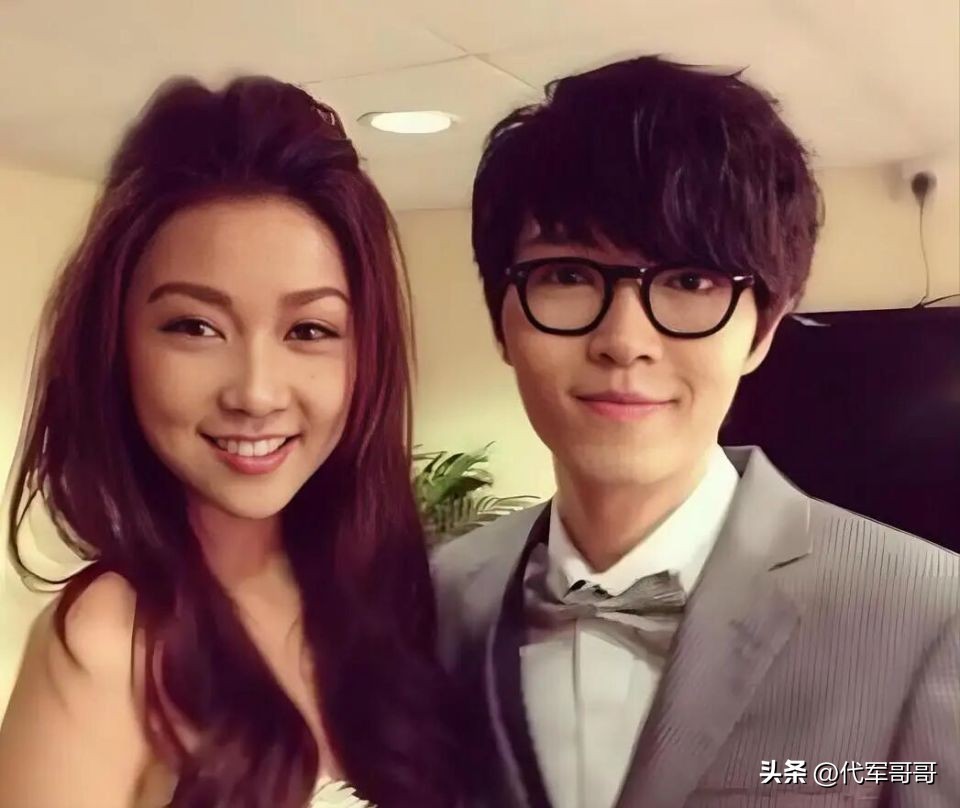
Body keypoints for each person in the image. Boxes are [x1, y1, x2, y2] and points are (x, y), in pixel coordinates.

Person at [433, 56, 959, 808]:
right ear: (501, 321)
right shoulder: (441, 595)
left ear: (762, 330)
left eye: (690, 282)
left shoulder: (930, 618)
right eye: (568, 275)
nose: (625, 341)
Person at [0, 76, 460, 808]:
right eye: (195, 327)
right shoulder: (108, 643)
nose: (256, 391)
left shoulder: (400, 605)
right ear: (116, 346)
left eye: (309, 330)